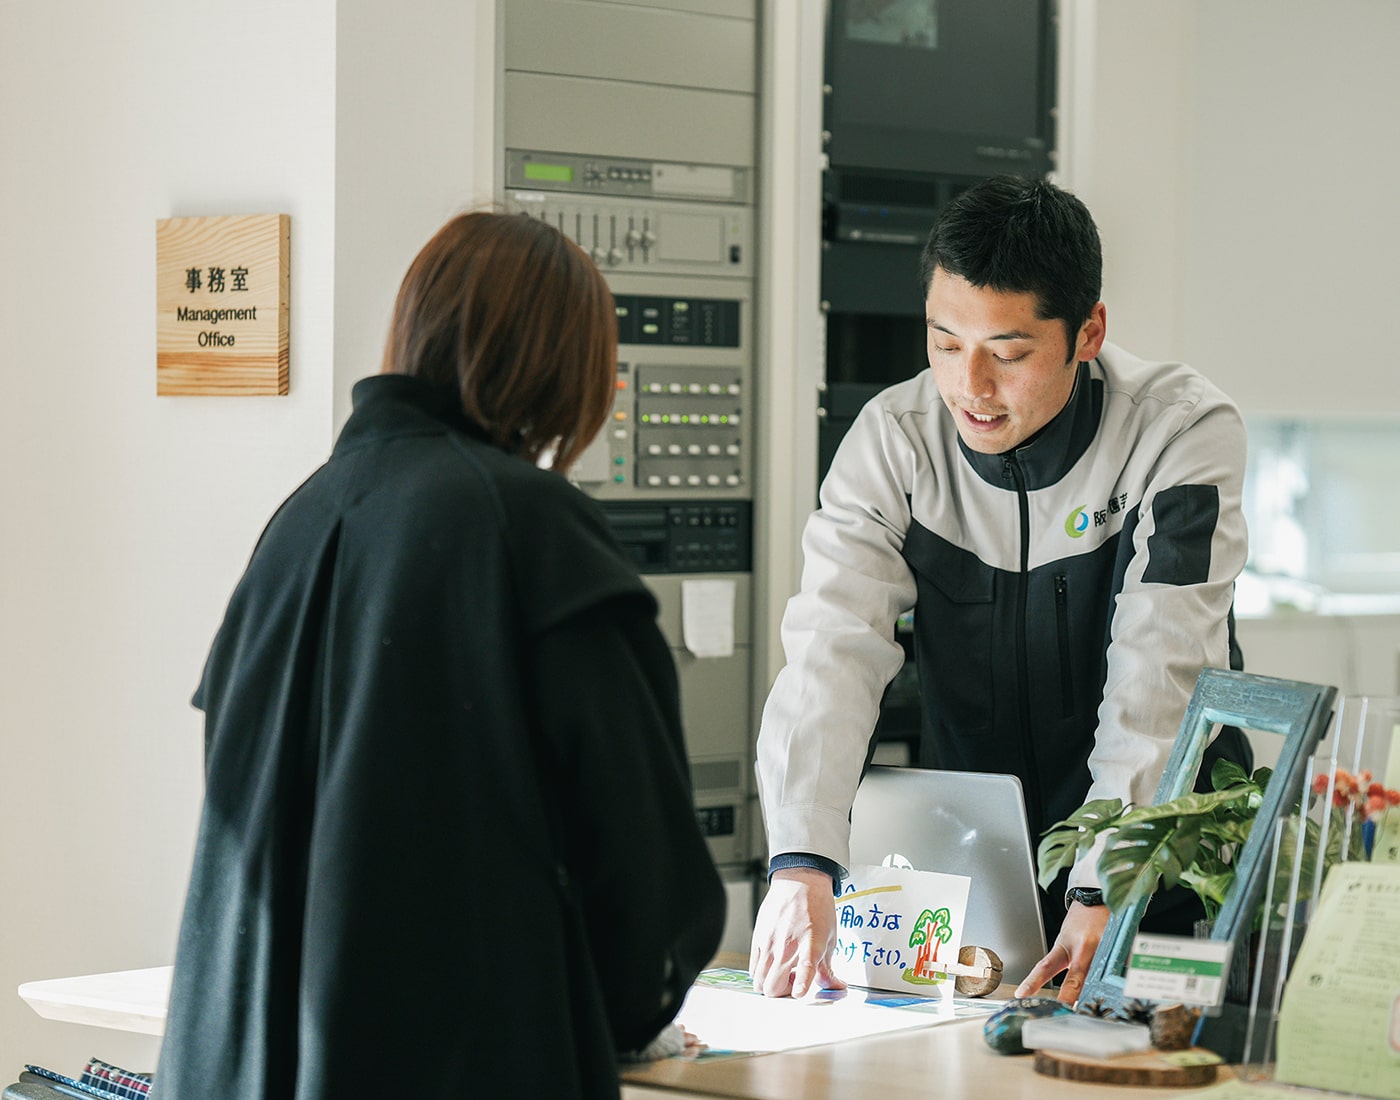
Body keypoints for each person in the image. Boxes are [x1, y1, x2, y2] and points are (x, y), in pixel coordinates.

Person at [154, 212, 726, 1098]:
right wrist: (609, 1019)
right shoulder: (528, 524)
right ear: (564, 364)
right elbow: (647, 872)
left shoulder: (300, 519)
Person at [750, 174, 1251, 1005]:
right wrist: (801, 860)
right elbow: (828, 652)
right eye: (945, 344)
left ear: (1087, 332)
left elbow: (1163, 671)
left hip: (1155, 857)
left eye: (1009, 354)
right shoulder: (894, 441)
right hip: (977, 858)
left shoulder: (1180, 431)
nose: (969, 387)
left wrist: (1102, 883)